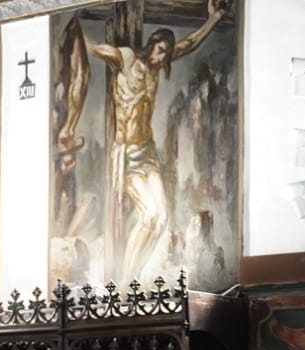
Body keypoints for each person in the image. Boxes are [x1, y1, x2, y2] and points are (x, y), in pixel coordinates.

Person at [86, 0, 228, 284]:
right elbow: (98, 49)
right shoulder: (127, 59)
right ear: (151, 45)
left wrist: (212, 20)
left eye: (166, 54)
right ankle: (124, 282)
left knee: (161, 217)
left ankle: (133, 278)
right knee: (148, 214)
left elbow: (188, 44)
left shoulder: (155, 69)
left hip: (146, 150)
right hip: (126, 154)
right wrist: (73, 28)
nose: (162, 57)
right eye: (160, 50)